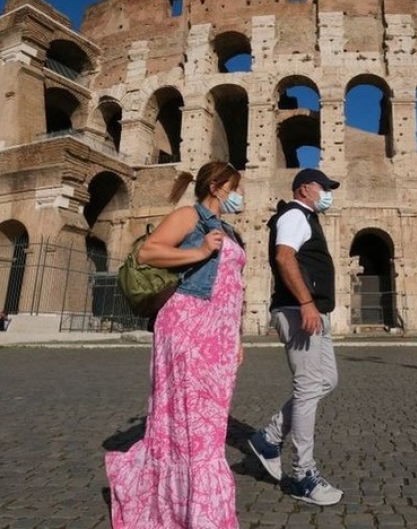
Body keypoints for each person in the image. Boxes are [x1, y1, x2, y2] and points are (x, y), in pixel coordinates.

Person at [105, 161, 246, 529]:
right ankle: (199, 512)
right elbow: (148, 253)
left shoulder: (228, 229)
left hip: (219, 334)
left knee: (211, 423)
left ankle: (190, 504)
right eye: (233, 187)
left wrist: (237, 336)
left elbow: (232, 289)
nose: (237, 195)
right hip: (188, 325)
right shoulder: (190, 216)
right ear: (216, 187)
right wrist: (198, 252)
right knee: (191, 420)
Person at [248, 168, 343, 506]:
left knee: (326, 381)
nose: (329, 193)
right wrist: (305, 302)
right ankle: (303, 475)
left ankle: (268, 437)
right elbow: (284, 257)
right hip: (298, 311)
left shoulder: (306, 218)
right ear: (305, 189)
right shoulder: (294, 215)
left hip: (313, 313)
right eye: (324, 187)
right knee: (307, 387)